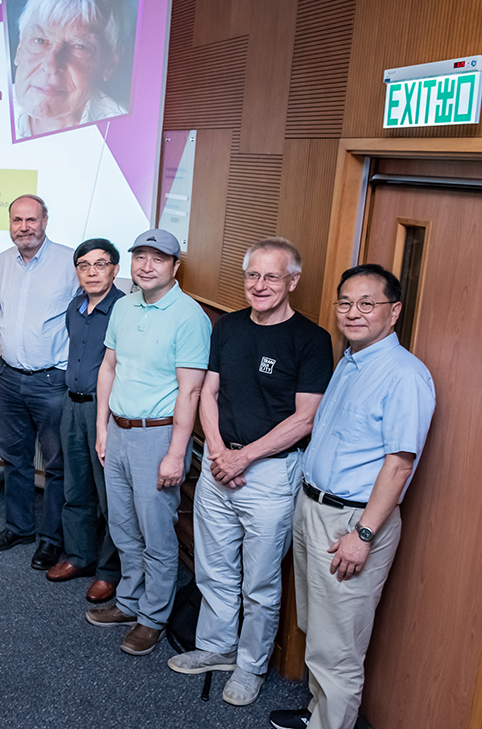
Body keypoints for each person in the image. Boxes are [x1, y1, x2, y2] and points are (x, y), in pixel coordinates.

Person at [168, 238, 332, 707]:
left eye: (271, 277)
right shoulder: (230, 327)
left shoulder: (311, 340)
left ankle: (250, 666)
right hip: (220, 464)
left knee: (259, 581)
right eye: (252, 276)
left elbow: (305, 418)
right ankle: (216, 648)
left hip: (270, 475)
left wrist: (245, 457)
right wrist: (219, 450)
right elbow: (208, 394)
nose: (259, 286)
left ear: (292, 282)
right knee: (214, 568)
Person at [270, 264, 434, 729]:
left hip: (353, 521)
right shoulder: (350, 360)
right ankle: (316, 714)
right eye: (345, 303)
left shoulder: (404, 375)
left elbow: (399, 464)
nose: (353, 312)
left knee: (338, 647)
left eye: (367, 304)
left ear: (394, 311)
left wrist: (363, 534)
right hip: (315, 508)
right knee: (317, 631)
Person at [86, 228, 210, 657]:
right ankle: (129, 602)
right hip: (117, 432)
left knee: (157, 533)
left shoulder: (189, 316)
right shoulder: (124, 305)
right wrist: (102, 428)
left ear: (176, 266)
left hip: (157, 436)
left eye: (158, 258)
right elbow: (108, 368)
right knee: (123, 527)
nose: (147, 265)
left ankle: (153, 617)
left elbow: (191, 392)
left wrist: (177, 453)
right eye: (141, 256)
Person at [0, 194, 78, 570]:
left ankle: (52, 538)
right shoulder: (2, 263)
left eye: (31, 220)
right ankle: (19, 526)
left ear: (45, 220)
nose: (24, 227)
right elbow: (3, 315)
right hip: (8, 377)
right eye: (17, 220)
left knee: (56, 464)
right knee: (15, 458)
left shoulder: (69, 263)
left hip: (52, 381)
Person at [48, 238, 125, 603]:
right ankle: (80, 556)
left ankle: (110, 571)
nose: (92, 272)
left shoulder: (125, 309)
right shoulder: (74, 306)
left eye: (100, 264)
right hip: (72, 405)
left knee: (110, 495)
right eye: (84, 266)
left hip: (106, 410)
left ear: (115, 268)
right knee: (75, 487)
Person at [11, 0, 129, 139]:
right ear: (19, 50)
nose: (51, 65)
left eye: (79, 47)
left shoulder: (126, 133)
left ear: (110, 63)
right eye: (39, 40)